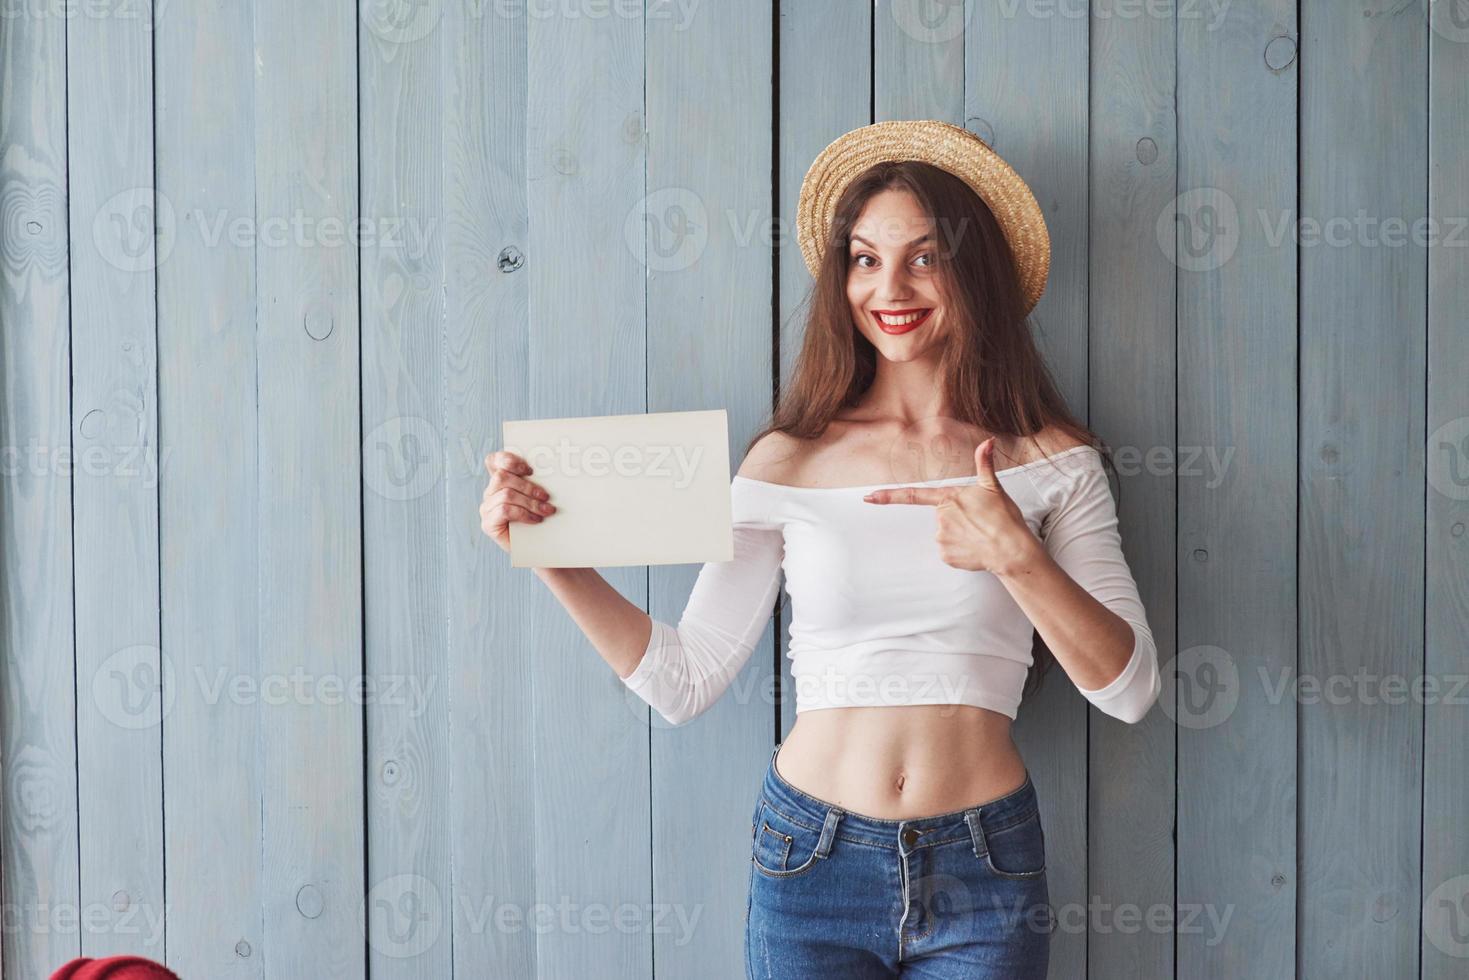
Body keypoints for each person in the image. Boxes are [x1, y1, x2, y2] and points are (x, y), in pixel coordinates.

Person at [480, 119, 1161, 979]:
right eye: (864, 259)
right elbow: (684, 681)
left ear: (972, 268)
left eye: (924, 255)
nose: (891, 286)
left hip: (986, 867)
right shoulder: (786, 458)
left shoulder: (1052, 459)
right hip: (809, 859)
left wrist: (1015, 555)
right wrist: (551, 554)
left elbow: (1131, 691)